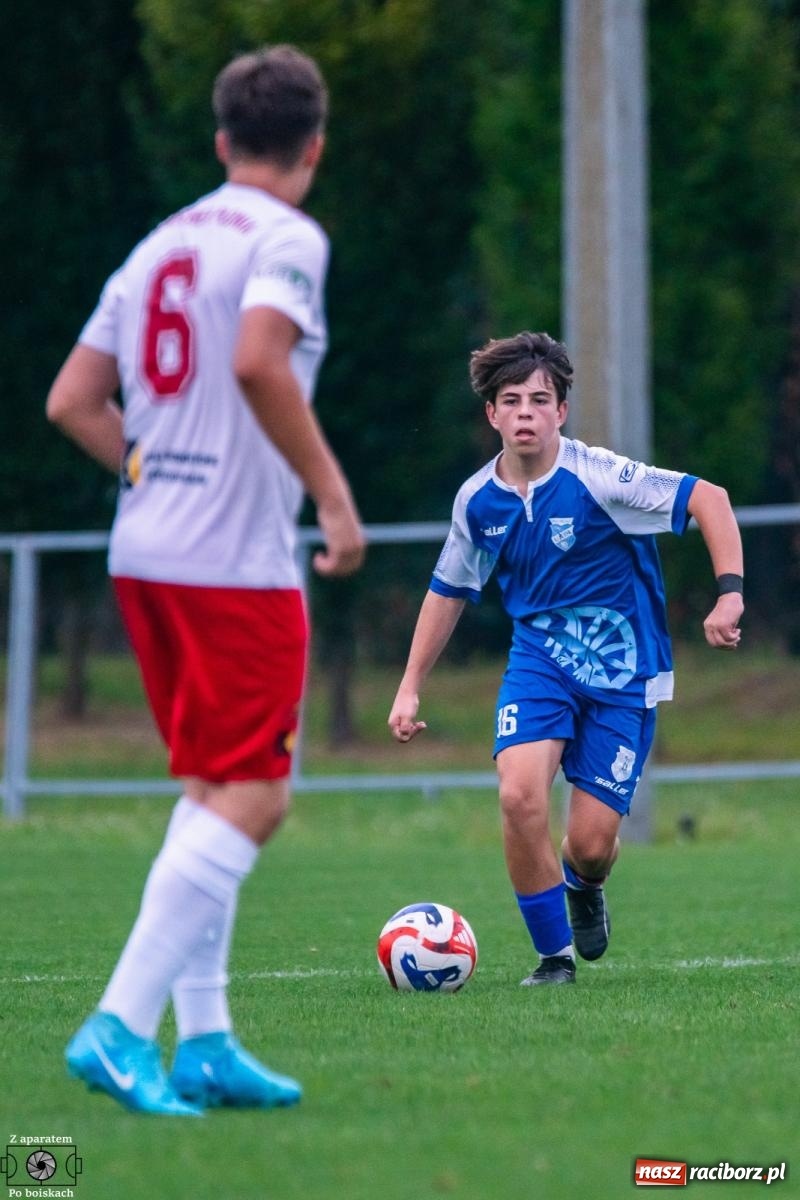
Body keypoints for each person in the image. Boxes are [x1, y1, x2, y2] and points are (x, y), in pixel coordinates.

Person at [46, 45, 365, 1115]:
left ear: (223, 141)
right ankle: (120, 1026)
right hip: (234, 562)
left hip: (145, 551)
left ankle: (209, 1042)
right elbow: (258, 360)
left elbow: (72, 400)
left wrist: (152, 469)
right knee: (258, 795)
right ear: (313, 148)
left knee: (211, 787)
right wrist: (331, 496)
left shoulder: (158, 244)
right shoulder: (286, 237)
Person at [388, 331, 743, 986]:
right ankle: (554, 959)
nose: (525, 412)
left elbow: (709, 499)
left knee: (591, 845)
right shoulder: (477, 501)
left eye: (539, 400)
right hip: (540, 664)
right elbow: (448, 590)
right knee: (519, 796)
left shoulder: (600, 477)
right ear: (492, 414)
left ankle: (584, 884)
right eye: (511, 400)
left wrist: (729, 594)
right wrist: (410, 685)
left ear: (561, 411)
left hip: (622, 675)